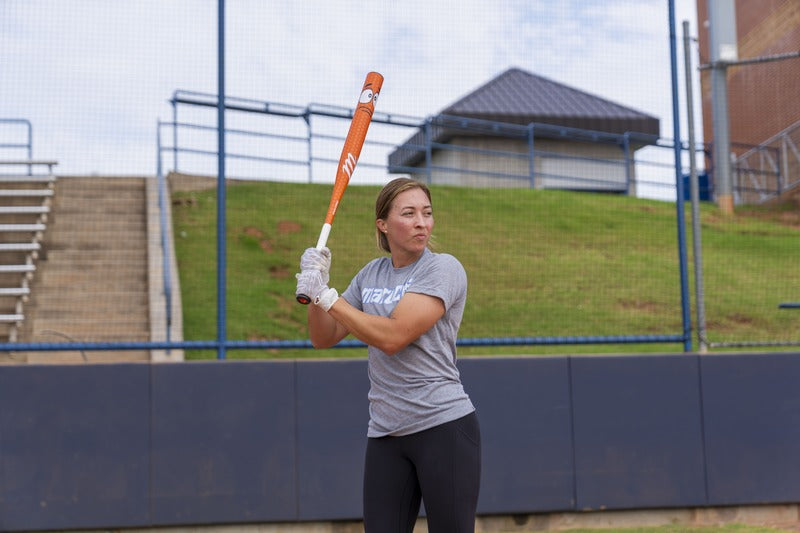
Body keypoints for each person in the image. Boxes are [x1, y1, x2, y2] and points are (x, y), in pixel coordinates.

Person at [295, 177, 481, 532]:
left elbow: (395, 336)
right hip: (385, 432)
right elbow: (324, 336)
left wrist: (329, 298)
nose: (421, 222)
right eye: (408, 213)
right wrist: (317, 281)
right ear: (383, 224)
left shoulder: (443, 268)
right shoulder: (371, 274)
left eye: (426, 213)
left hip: (443, 425)